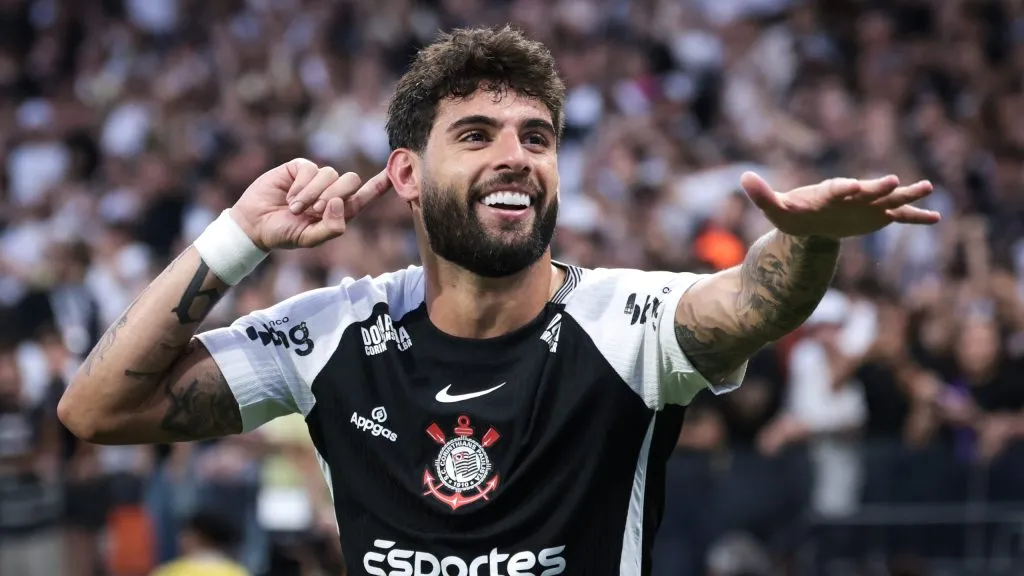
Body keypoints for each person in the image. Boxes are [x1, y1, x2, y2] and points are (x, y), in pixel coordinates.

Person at [58, 25, 940, 576]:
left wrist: (811, 237)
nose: (516, 156)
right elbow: (99, 408)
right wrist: (237, 237)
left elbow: (754, 300)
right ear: (405, 173)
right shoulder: (334, 332)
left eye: (538, 137)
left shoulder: (624, 323)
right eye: (476, 135)